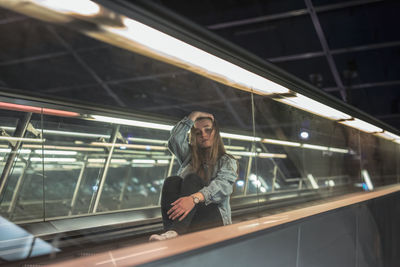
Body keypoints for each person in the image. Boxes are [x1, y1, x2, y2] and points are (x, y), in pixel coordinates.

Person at [149, 111, 238, 241]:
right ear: (194, 136)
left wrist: (194, 198)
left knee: (192, 178)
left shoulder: (227, 161)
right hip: (191, 219)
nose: (203, 134)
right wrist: (194, 115)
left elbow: (223, 186)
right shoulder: (189, 157)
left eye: (208, 130)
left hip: (215, 220)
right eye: (198, 132)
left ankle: (176, 231)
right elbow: (175, 139)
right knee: (172, 181)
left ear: (215, 133)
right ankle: (170, 232)